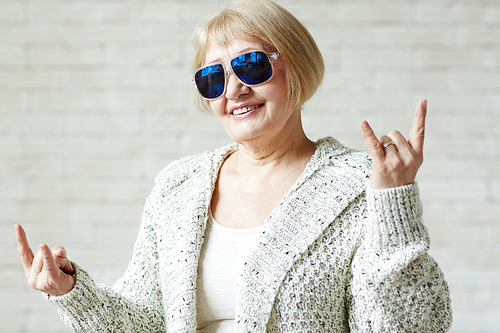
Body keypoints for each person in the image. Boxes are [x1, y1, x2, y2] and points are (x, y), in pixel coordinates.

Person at [14, 0, 452, 332]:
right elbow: (147, 321)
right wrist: (71, 293)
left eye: (252, 64)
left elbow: (409, 325)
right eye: (213, 77)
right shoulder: (178, 186)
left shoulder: (362, 183)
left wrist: (394, 204)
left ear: (296, 67)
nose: (235, 88)